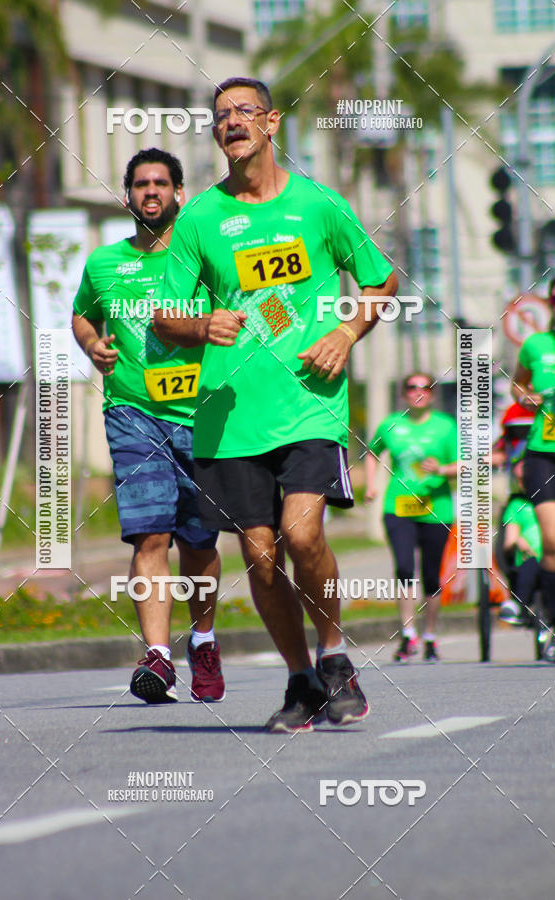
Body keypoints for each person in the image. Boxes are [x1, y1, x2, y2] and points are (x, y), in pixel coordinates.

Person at [152, 76, 397, 733]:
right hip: (230, 417)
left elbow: (378, 278)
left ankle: (336, 652)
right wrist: (201, 327)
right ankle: (300, 681)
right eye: (221, 115)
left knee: (302, 533)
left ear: (271, 122)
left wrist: (346, 332)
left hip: (310, 403)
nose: (232, 122)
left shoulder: (318, 205)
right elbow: (164, 316)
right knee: (260, 555)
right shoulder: (200, 218)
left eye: (243, 112)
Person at [71, 148, 225, 703]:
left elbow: (254, 310)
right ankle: (157, 657)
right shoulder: (104, 262)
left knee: (199, 541)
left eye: (162, 183)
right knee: (150, 532)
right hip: (132, 412)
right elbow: (82, 313)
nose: (151, 192)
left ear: (179, 192)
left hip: (205, 415)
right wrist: (93, 344)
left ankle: (202, 639)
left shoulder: (205, 258)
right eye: (141, 184)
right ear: (128, 194)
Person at [364, 373, 458, 662]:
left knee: (431, 574)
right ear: (404, 393)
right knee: (404, 567)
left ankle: (430, 635)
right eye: (412, 387)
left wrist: (441, 470)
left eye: (425, 387)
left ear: (432, 393)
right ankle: (408, 635)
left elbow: (465, 463)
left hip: (435, 508)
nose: (418, 392)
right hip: (398, 507)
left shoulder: (445, 426)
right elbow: (372, 451)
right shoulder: (391, 424)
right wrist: (371, 483)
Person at [511, 272, 555, 663]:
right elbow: (518, 385)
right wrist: (527, 397)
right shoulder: (536, 345)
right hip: (544, 452)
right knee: (554, 543)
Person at [497, 458, 543, 628]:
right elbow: (509, 540)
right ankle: (518, 606)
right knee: (531, 564)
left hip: (553, 557)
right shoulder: (516, 505)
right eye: (521, 480)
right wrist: (518, 541)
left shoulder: (553, 502)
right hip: (528, 558)